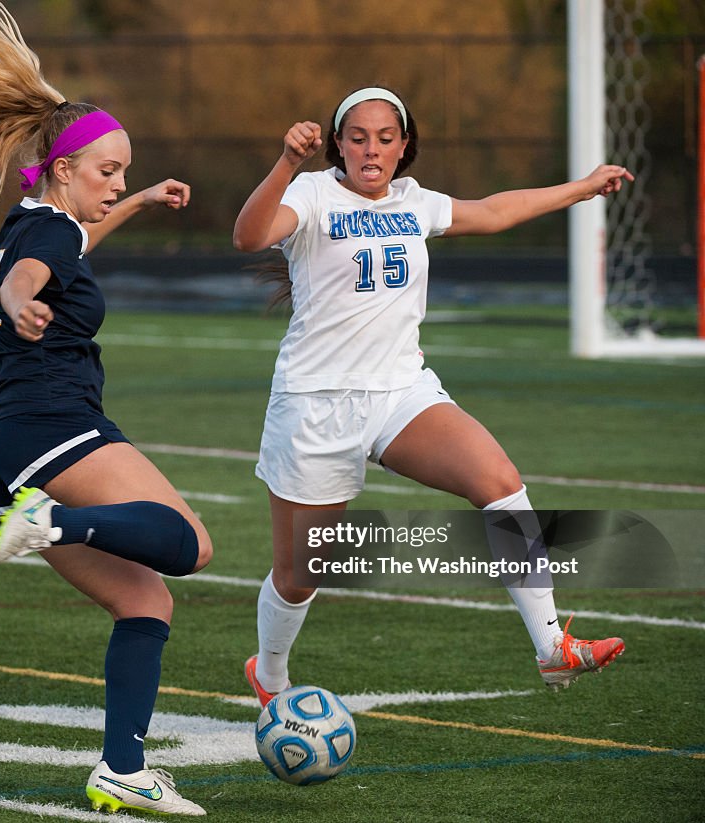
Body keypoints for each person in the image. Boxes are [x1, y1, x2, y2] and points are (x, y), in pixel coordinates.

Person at [0, 1, 211, 816]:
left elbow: (65, 248)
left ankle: (121, 768)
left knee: (144, 601)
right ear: (62, 168)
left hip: (6, 441)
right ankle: (51, 520)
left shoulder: (37, 220)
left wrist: (139, 202)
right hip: (55, 424)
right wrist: (22, 303)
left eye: (124, 171)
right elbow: (35, 274)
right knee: (189, 545)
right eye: (108, 172)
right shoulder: (45, 235)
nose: (116, 181)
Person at [232, 86, 629, 705]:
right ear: (338, 143)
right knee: (300, 572)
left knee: (499, 480)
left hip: (401, 391)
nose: (371, 148)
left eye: (385, 138)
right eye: (357, 136)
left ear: (404, 146)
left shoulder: (414, 203)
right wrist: (287, 162)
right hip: (316, 403)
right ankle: (272, 674)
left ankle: (553, 648)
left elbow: (497, 211)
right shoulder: (310, 193)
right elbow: (248, 235)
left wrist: (581, 187)